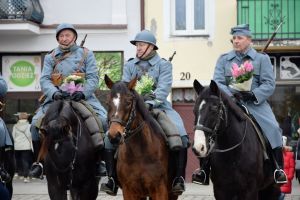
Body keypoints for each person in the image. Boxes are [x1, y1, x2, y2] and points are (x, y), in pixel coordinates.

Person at [192, 24, 287, 185]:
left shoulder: (261, 59)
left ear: (249, 40)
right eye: (234, 38)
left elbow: (269, 84)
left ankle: (278, 168)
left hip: (255, 104)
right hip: (230, 104)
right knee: (213, 127)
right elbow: (218, 83)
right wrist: (231, 96)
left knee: (273, 128)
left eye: (240, 38)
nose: (236, 41)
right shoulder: (223, 59)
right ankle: (204, 169)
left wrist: (252, 94)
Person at [100, 29, 189, 196]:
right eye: (137, 45)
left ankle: (178, 178)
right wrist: (137, 101)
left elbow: (163, 89)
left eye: (141, 45)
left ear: (151, 47)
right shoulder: (129, 65)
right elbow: (124, 88)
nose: (138, 48)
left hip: (159, 107)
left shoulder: (164, 65)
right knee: (108, 137)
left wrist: (150, 102)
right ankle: (111, 178)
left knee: (180, 134)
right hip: (132, 108)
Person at [29, 23, 107, 178]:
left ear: (74, 37)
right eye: (61, 36)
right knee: (34, 124)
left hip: (82, 98)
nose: (64, 38)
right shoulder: (51, 57)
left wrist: (83, 93)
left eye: (67, 35)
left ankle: (100, 162)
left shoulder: (86, 54)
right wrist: (54, 93)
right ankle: (39, 163)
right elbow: (45, 79)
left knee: (103, 120)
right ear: (58, 38)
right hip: (57, 99)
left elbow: (93, 78)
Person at [12, 112, 33, 183]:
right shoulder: (29, 126)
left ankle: (19, 174)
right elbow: (30, 136)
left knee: (18, 160)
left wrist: (17, 142)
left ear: (19, 118)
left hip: (17, 146)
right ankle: (25, 177)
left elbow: (13, 136)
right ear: (27, 118)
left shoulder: (15, 126)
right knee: (25, 161)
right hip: (26, 146)